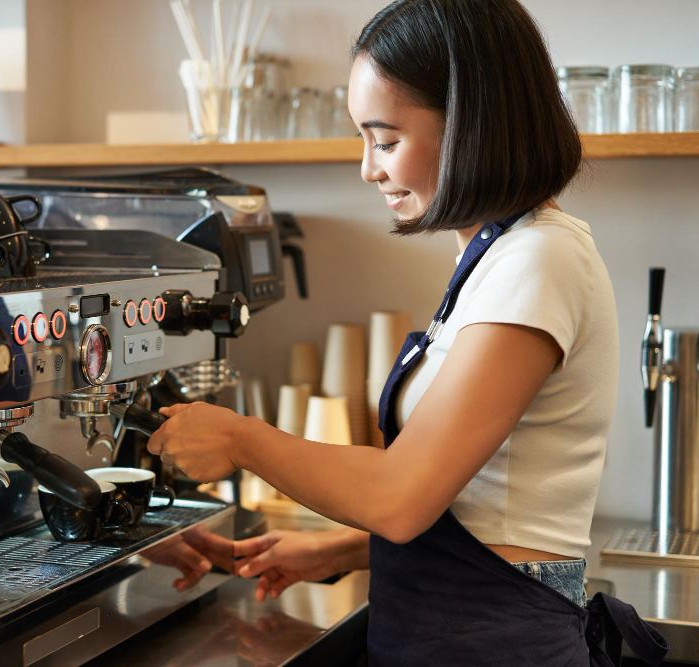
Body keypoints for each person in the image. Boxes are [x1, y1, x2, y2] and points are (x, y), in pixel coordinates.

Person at [147, 0, 669, 664]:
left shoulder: (540, 260)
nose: (368, 168)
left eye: (385, 139)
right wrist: (342, 548)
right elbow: (477, 504)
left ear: (471, 126)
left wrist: (237, 436)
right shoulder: (496, 256)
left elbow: (401, 494)